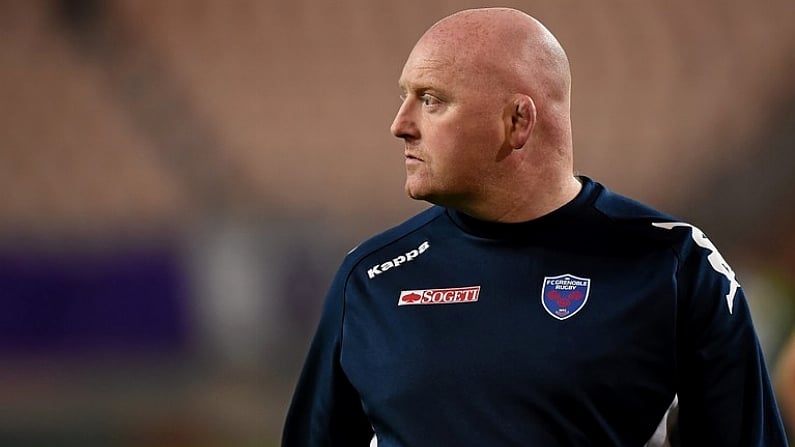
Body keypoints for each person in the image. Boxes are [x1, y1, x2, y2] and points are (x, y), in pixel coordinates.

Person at [281, 7, 787, 446]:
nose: (401, 123)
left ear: (518, 121)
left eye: (431, 100)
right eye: (404, 97)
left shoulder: (674, 266)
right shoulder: (371, 279)